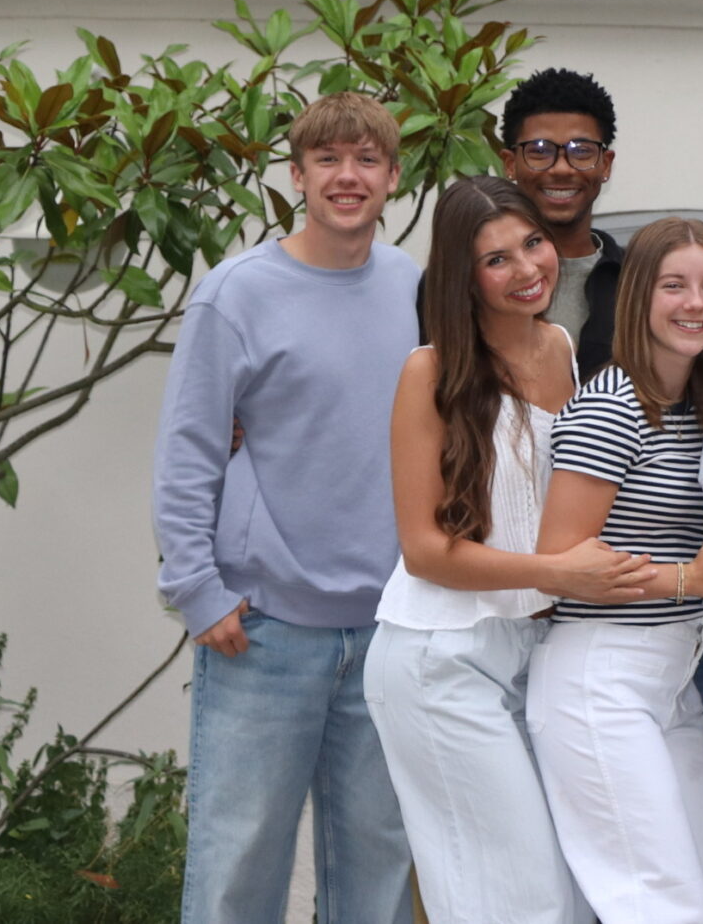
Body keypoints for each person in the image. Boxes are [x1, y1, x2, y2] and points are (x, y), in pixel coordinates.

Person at [150, 92, 421, 924]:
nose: (348, 176)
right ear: (297, 176)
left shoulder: (415, 287)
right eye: (327, 159)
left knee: (378, 873)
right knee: (238, 868)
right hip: (262, 630)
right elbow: (188, 447)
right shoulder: (235, 294)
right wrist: (198, 590)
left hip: (387, 631)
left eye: (366, 159)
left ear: (393, 176)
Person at [364, 176, 653, 924]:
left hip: (534, 653)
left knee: (569, 895)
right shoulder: (429, 371)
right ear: (465, 277)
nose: (527, 268)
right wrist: (556, 573)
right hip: (439, 657)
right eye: (497, 259)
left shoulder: (562, 347)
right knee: (521, 900)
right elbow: (425, 551)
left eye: (533, 243)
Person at [528, 220, 703, 924]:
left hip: (672, 679)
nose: (695, 302)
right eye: (674, 285)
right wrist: (690, 580)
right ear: (638, 295)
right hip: (599, 679)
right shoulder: (612, 406)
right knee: (661, 906)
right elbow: (558, 564)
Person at [498, 68, 626, 376]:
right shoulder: (465, 279)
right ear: (510, 164)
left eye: (581, 151)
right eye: (540, 151)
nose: (561, 169)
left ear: (605, 165)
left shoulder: (637, 280)